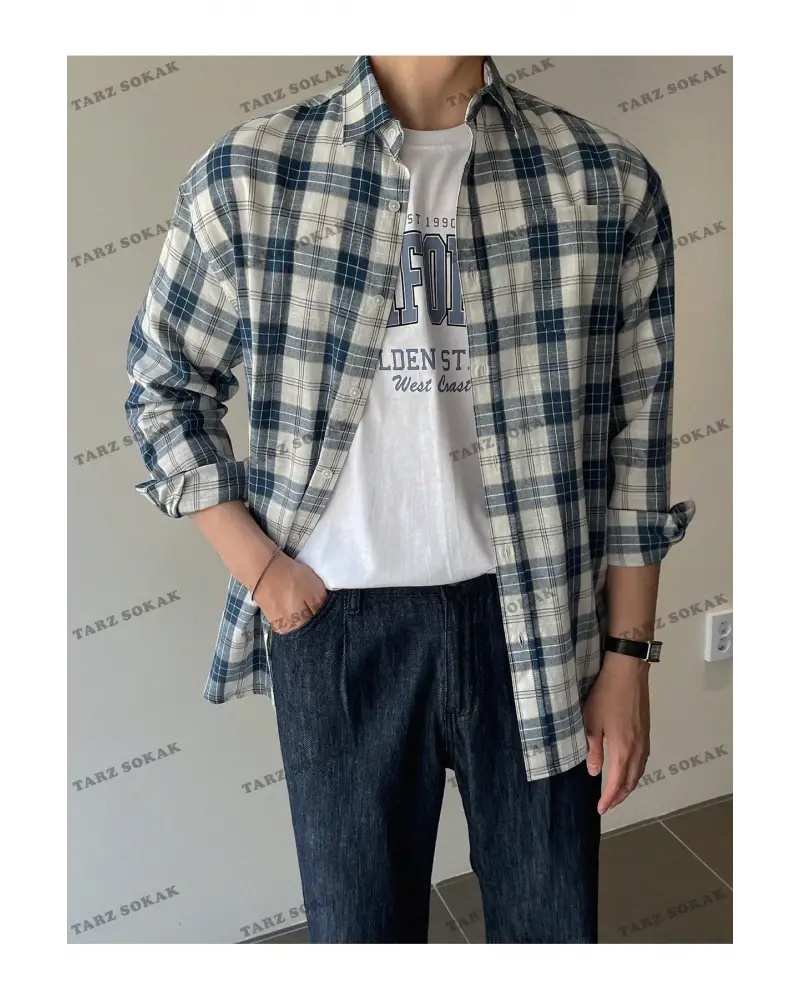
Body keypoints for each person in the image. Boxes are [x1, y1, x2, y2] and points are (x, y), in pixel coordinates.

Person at [124, 54, 695, 944]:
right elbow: (165, 387)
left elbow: (638, 438)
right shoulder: (252, 173)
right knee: (361, 935)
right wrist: (260, 569)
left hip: (540, 620)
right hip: (338, 627)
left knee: (551, 928)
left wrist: (628, 656)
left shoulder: (602, 178)